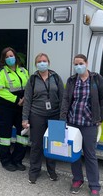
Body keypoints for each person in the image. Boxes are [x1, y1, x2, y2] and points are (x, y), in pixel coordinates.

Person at [60, 54, 103, 196]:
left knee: (90, 155)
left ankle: (94, 185)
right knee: (74, 153)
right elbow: (66, 100)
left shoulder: (96, 79)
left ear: (86, 63)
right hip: (73, 122)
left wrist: (100, 118)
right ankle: (77, 179)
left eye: (80, 63)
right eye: (76, 64)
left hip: (89, 123)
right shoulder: (72, 80)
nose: (78, 66)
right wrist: (63, 119)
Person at [22, 53, 64, 184]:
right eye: (39, 61)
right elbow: (27, 100)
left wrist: (63, 117)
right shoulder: (32, 79)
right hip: (37, 115)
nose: (42, 63)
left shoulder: (56, 78)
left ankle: (52, 171)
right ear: (36, 64)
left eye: (44, 61)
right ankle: (34, 171)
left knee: (54, 144)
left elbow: (63, 98)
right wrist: (25, 118)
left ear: (49, 62)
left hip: (55, 115)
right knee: (36, 145)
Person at [0, 47, 29, 172]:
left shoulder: (23, 71)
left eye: (11, 55)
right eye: (7, 56)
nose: (10, 58)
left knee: (23, 134)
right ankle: (6, 161)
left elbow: (29, 86)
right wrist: (16, 100)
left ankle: (17, 160)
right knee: (5, 136)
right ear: (4, 59)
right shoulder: (0, 73)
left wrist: (26, 98)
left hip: (22, 108)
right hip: (6, 108)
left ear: (16, 56)